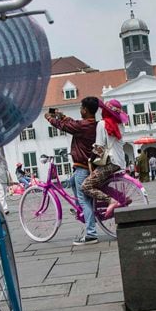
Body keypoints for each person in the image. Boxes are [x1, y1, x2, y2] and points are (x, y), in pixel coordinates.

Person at [45, 96, 99, 245]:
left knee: (83, 199)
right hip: (81, 167)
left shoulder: (83, 125)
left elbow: (67, 126)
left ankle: (91, 233)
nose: (80, 110)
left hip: (83, 167)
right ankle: (83, 212)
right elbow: (73, 123)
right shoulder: (90, 123)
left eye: (81, 108)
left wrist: (50, 118)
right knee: (73, 184)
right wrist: (62, 116)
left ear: (85, 110)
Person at [82, 99, 128, 224]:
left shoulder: (102, 124)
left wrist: (90, 160)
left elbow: (99, 147)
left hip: (110, 162)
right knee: (99, 182)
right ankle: (120, 197)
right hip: (120, 162)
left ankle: (111, 200)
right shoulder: (119, 125)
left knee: (86, 186)